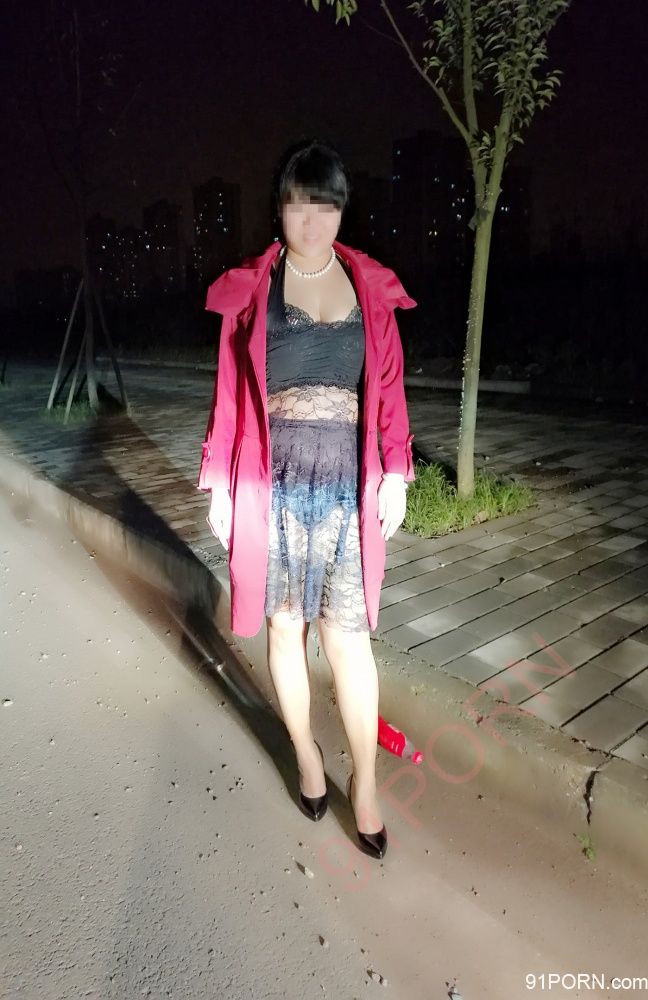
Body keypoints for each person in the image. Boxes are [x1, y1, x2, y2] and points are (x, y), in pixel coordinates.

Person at [198, 137, 417, 860]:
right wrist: (220, 484)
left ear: (341, 210)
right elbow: (230, 394)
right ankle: (307, 756)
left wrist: (395, 470)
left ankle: (366, 784)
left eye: (325, 205)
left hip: (347, 483)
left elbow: (389, 387)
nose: (312, 219)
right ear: (280, 209)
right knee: (286, 627)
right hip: (276, 479)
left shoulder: (368, 285)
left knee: (347, 637)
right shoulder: (254, 290)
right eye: (299, 204)